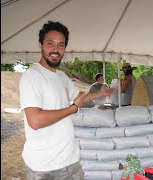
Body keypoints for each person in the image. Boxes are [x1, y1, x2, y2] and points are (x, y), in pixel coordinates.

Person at [19, 21, 115, 180]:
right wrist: (72, 109)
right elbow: (35, 120)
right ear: (40, 45)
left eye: (61, 45)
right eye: (50, 44)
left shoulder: (62, 77)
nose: (56, 49)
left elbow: (79, 99)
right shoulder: (32, 76)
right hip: (43, 168)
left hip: (70, 162)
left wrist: (100, 93)